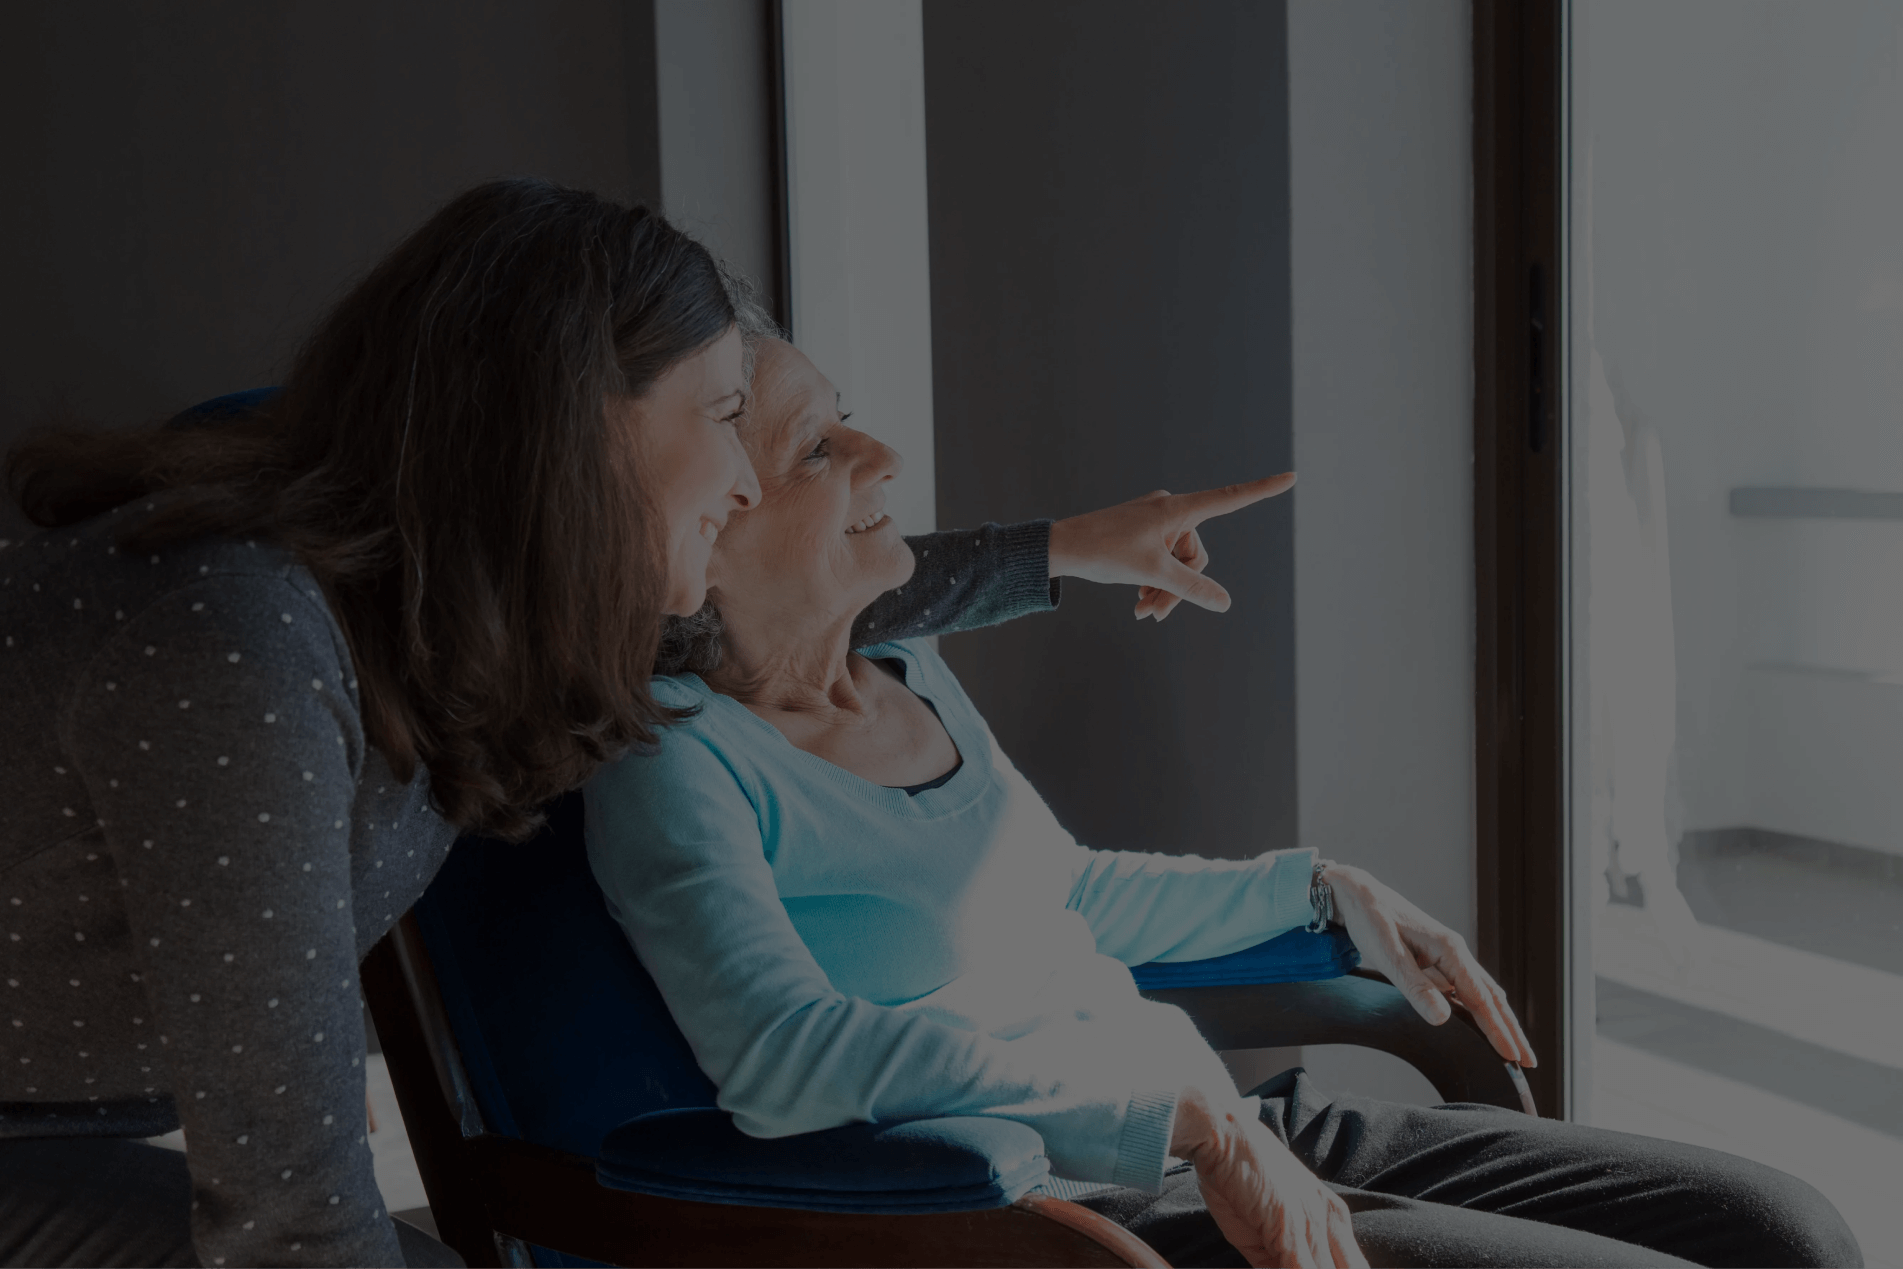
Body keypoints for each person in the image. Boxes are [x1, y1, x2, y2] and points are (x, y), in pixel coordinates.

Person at [0, 179, 1259, 1269]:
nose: (752, 483)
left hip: (64, 1119)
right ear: (575, 430)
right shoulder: (240, 652)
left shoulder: (490, 609)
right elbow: (291, 1222)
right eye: (724, 421)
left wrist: (1058, 556)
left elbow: (774, 590)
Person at [584, 336, 1864, 1269]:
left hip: (1223, 1125)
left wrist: (1317, 888)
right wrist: (1186, 1117)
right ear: (710, 526)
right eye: (820, 448)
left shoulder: (906, 670)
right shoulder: (677, 763)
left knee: (1786, 1232)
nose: (882, 456)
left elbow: (1063, 895)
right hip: (1070, 1211)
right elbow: (783, 1063)